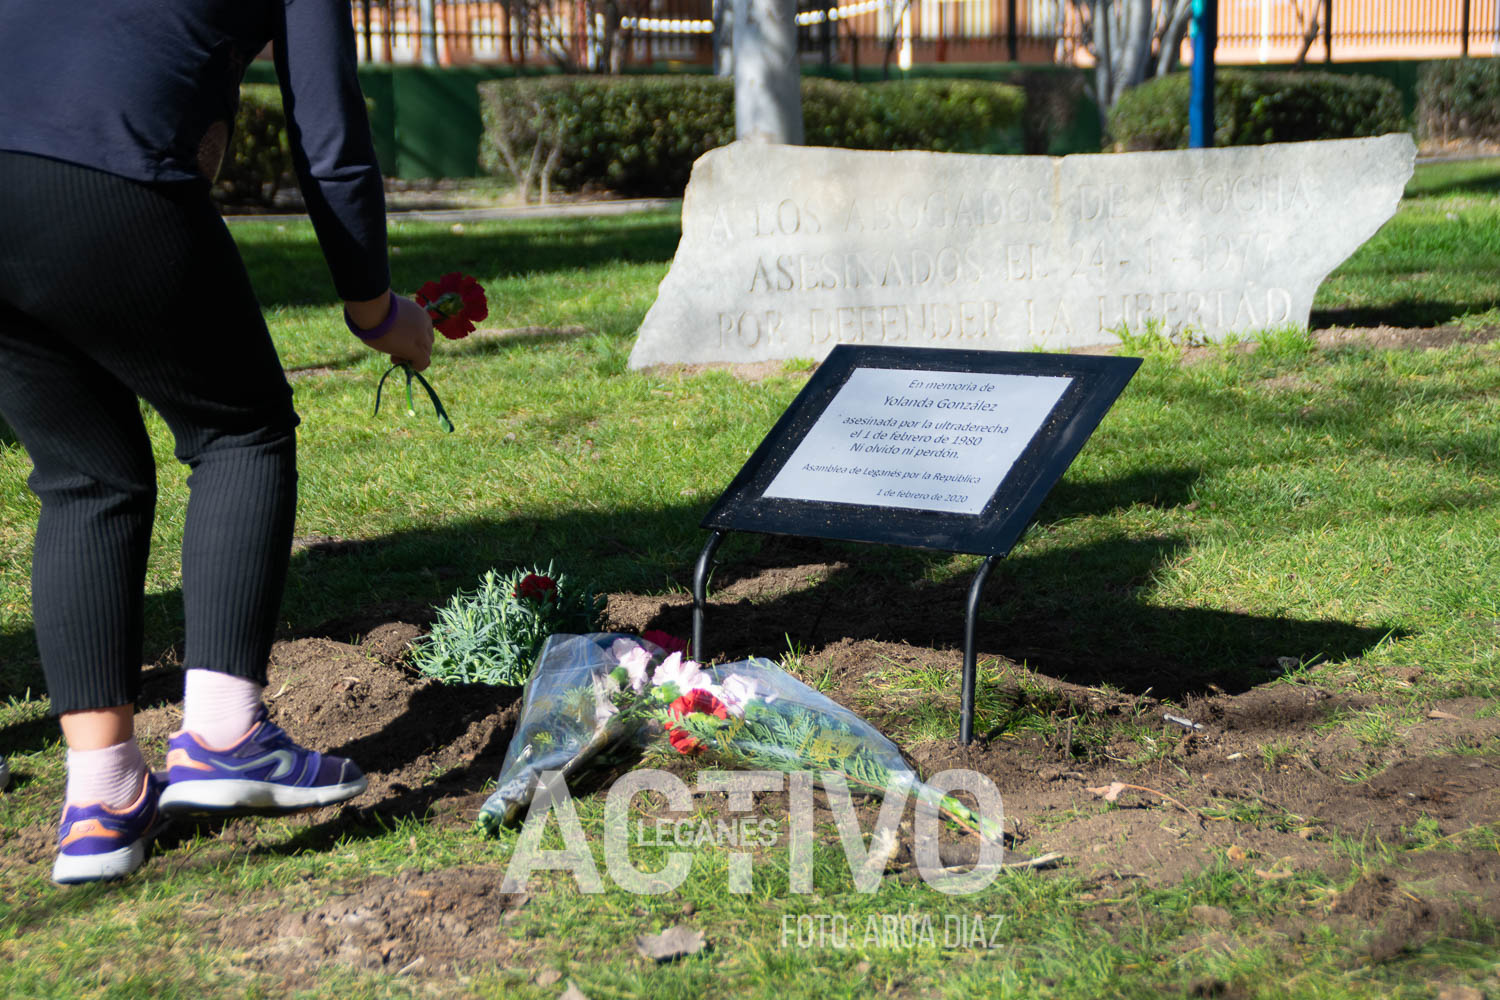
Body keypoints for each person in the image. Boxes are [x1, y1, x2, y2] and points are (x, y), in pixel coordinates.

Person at [0, 2, 434, 884]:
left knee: (87, 479)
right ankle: (226, 733)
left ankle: (102, 798)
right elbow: (330, 131)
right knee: (242, 427)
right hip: (107, 168)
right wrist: (374, 306)